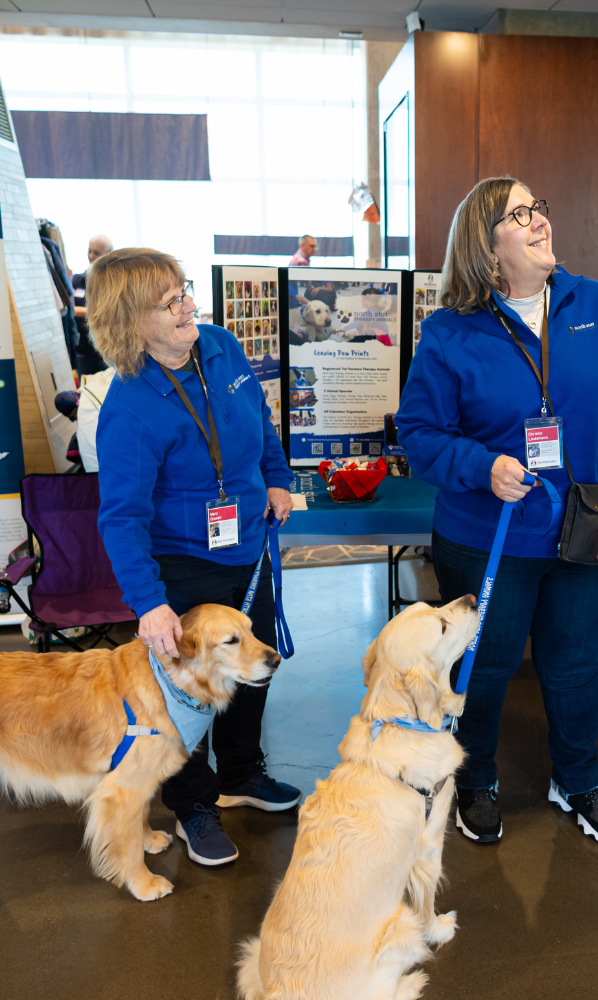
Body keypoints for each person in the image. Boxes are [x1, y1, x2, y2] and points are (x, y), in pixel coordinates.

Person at [395, 177, 598, 847]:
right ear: (487, 251)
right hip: (489, 537)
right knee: (483, 671)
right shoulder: (449, 334)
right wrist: (480, 466)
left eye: (537, 207)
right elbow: (419, 433)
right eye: (518, 214)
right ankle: (477, 780)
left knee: (575, 667)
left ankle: (576, 781)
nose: (539, 220)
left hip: (588, 530)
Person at [89, 248, 302, 869]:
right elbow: (121, 516)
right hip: (181, 564)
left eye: (184, 290)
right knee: (183, 695)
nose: (188, 304)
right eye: (169, 301)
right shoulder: (128, 408)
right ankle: (194, 805)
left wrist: (278, 476)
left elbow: (259, 420)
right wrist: (150, 604)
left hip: (248, 543)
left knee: (257, 663)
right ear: (133, 323)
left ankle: (243, 774)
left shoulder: (219, 345)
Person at [72, 234, 113, 376]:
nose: (91, 256)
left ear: (108, 254)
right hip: (82, 350)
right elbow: (68, 309)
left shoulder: (113, 283)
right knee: (87, 392)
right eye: (90, 251)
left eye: (97, 252)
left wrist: (78, 311)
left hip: (107, 350)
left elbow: (109, 312)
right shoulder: (77, 280)